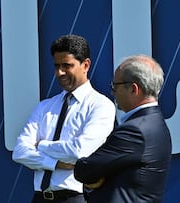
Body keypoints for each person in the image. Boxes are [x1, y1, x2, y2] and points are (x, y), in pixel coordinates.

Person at [12, 34, 116, 203]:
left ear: (86, 65)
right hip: (39, 198)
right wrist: (56, 164)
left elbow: (80, 152)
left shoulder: (101, 106)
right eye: (56, 66)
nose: (60, 73)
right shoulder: (45, 106)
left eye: (66, 66)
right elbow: (19, 152)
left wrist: (41, 145)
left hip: (74, 198)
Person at [73, 54, 172, 203]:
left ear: (134, 89)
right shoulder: (156, 123)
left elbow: (84, 170)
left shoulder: (134, 131)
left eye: (115, 86)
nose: (113, 93)